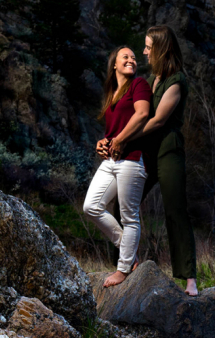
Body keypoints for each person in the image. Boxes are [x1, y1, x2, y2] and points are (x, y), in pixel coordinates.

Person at [110, 25, 198, 296]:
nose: (145, 52)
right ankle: (128, 262)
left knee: (175, 211)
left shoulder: (176, 80)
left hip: (168, 150)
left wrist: (125, 139)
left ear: (161, 48)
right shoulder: (150, 80)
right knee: (120, 203)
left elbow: (158, 119)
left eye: (149, 47)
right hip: (146, 151)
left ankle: (190, 280)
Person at [83, 46, 151, 287]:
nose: (132, 59)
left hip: (131, 159)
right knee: (91, 206)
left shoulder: (139, 85)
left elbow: (142, 114)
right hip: (110, 160)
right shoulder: (112, 92)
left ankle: (123, 269)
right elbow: (112, 131)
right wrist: (103, 142)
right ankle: (128, 250)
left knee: (129, 217)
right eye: (126, 56)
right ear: (114, 64)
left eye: (134, 57)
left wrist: (120, 140)